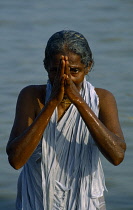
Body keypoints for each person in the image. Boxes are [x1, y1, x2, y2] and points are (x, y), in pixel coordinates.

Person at [6, 30, 126, 210]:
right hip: (36, 201)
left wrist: (78, 101)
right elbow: (16, 160)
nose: (64, 79)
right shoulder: (32, 96)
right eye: (56, 71)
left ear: (88, 67)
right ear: (46, 66)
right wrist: (52, 103)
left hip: (85, 202)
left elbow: (117, 156)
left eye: (74, 71)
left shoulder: (102, 99)